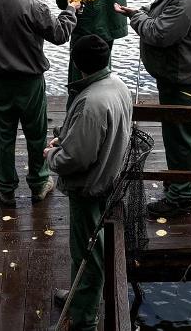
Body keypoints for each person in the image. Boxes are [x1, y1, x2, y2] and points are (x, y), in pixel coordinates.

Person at [114, 0, 191, 218]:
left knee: (178, 136)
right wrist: (138, 11)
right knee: (190, 129)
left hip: (181, 77)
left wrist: (137, 18)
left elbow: (159, 34)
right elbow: (163, 10)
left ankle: (180, 196)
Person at [0, 0, 80, 207]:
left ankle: (6, 188)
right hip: (30, 82)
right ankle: (39, 183)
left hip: (0, 82)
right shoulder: (34, 6)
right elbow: (60, 34)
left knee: (4, 136)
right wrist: (71, 10)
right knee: (35, 134)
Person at [44, 35, 133, 331]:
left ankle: (83, 318)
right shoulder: (116, 85)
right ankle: (79, 295)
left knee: (87, 252)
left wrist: (52, 155)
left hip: (90, 187)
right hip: (110, 178)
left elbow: (76, 159)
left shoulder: (91, 101)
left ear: (76, 62)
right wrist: (66, 137)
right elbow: (91, 136)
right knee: (87, 249)